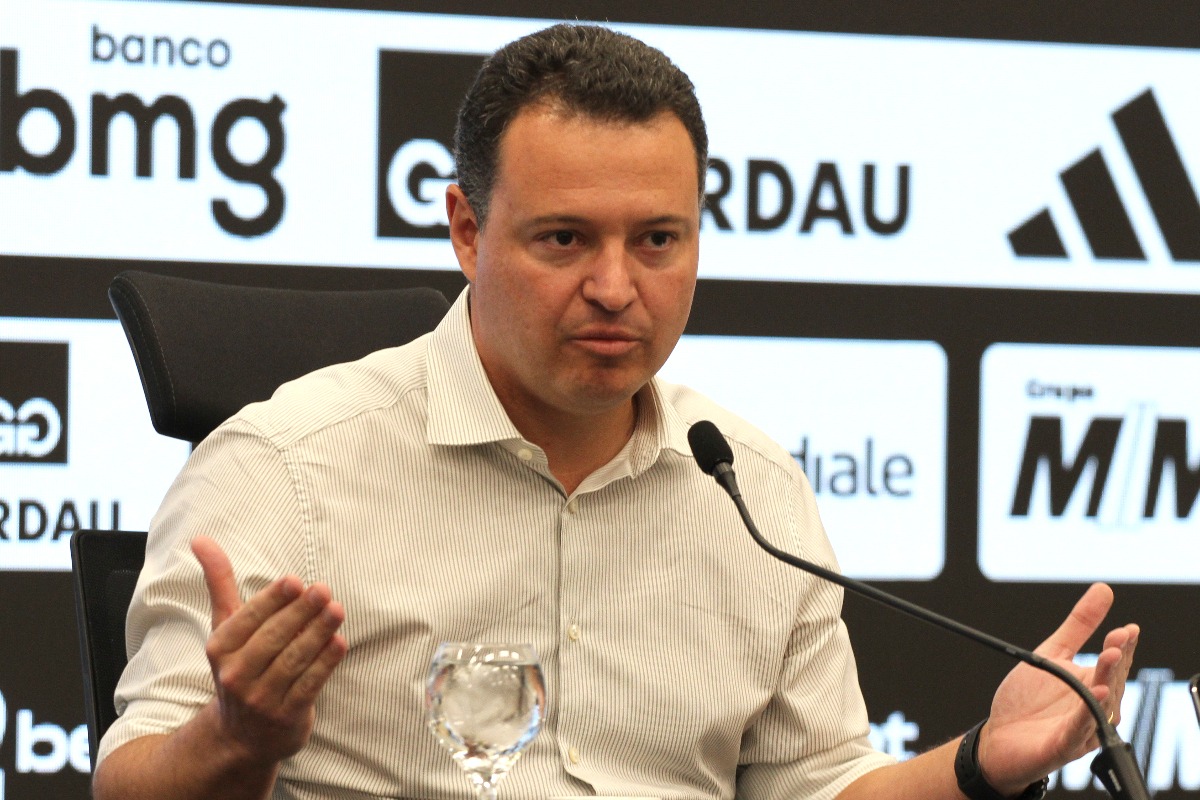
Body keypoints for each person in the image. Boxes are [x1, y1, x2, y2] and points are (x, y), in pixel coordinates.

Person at [92, 23, 1139, 800]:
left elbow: (816, 781)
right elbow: (132, 783)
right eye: (563, 239)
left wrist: (976, 763)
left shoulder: (749, 485)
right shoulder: (284, 465)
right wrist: (239, 737)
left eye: (656, 239)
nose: (614, 285)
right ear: (466, 227)